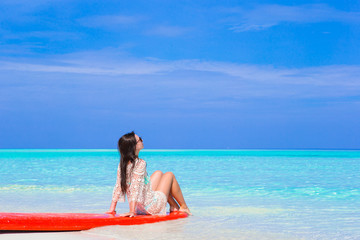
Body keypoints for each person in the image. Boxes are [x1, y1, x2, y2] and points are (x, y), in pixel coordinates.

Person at [106, 131, 191, 217]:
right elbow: (135, 187)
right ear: (134, 146)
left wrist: (112, 209)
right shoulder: (140, 163)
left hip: (139, 207)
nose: (142, 140)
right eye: (139, 140)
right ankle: (184, 206)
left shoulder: (122, 164)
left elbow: (118, 186)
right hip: (151, 208)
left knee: (158, 173)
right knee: (169, 175)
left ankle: (174, 206)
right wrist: (132, 211)